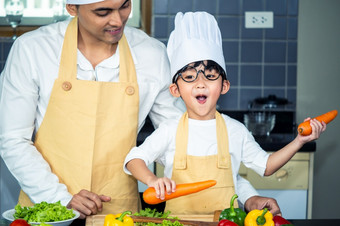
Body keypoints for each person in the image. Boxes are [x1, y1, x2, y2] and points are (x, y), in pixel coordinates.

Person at [124, 11, 326, 215]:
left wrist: (299, 141)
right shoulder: (169, 130)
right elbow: (134, 159)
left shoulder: (235, 130)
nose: (201, 83)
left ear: (224, 86)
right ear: (175, 90)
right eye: (189, 77)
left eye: (210, 75)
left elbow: (266, 166)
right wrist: (153, 180)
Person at [0, 0, 183, 219]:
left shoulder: (151, 53)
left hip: (119, 211)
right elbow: (12, 139)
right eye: (103, 12)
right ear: (72, 8)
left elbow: (176, 135)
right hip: (48, 210)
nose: (117, 20)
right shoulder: (33, 49)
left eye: (124, 6)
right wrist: (58, 197)